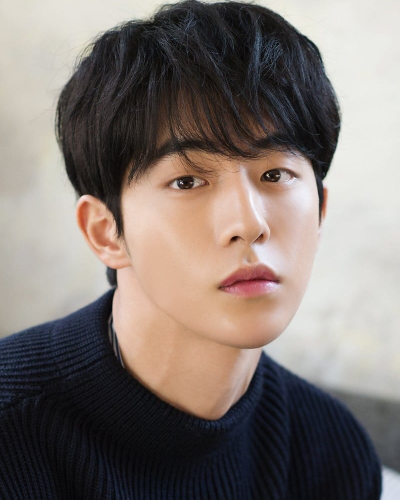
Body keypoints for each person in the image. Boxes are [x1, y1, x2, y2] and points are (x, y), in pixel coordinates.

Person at [0, 1, 382, 498]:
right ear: (105, 232)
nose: (249, 223)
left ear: (321, 211)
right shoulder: (13, 433)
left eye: (275, 174)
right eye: (187, 181)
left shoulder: (330, 449)